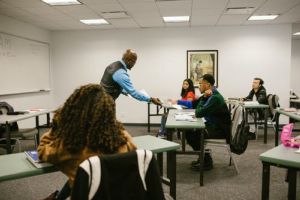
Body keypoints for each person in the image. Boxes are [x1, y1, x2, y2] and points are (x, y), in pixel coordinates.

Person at [38, 84, 137, 199]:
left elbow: (42, 150)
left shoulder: (70, 146)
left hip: (88, 195)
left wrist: (58, 125)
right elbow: (135, 152)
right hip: (119, 195)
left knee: (76, 179)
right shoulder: (122, 137)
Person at [186, 74, 231, 171]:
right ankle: (204, 157)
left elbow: (198, 113)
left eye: (200, 83)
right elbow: (197, 108)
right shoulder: (212, 95)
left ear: (208, 85)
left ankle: (206, 160)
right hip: (215, 126)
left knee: (192, 133)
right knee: (191, 131)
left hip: (220, 130)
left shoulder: (215, 98)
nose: (199, 86)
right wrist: (204, 97)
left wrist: (205, 97)